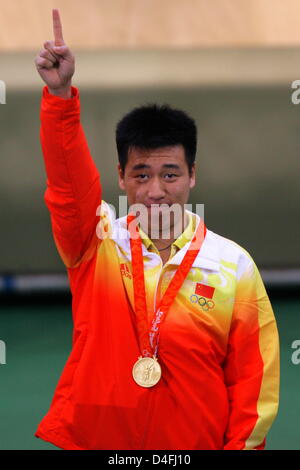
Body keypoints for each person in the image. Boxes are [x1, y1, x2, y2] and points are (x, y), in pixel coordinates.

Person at [33, 9, 280, 450]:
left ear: (192, 176)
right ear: (122, 177)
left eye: (170, 174)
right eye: (141, 174)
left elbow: (253, 384)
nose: (156, 190)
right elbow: (68, 188)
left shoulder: (233, 266)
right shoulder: (96, 244)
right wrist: (61, 96)